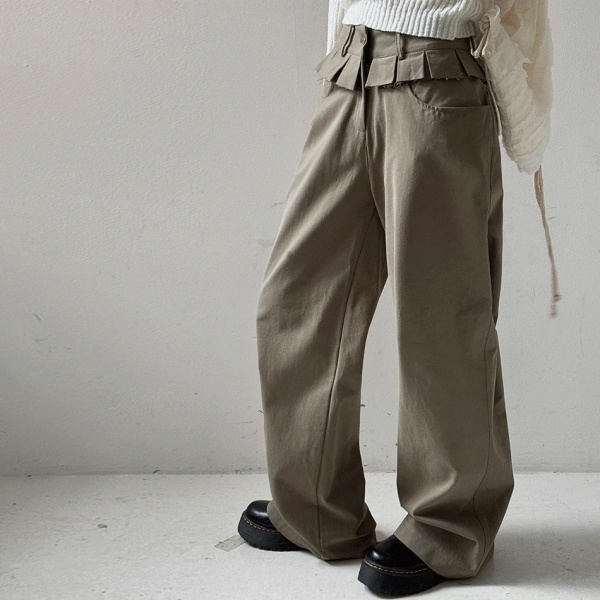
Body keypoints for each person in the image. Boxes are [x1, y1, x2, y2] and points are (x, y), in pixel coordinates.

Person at [237, 0, 557, 596]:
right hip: (352, 66)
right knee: (295, 299)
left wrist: (523, 117)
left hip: (439, 69)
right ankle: (314, 510)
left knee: (441, 316)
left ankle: (449, 527)